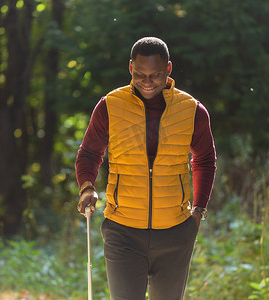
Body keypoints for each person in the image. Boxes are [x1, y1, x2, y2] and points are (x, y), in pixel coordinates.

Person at [75, 37, 216, 300]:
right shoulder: (110, 106)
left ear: (169, 69)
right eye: (140, 74)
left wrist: (198, 210)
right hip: (123, 231)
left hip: (175, 232)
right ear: (131, 68)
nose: (147, 81)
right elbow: (90, 153)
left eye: (155, 75)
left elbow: (205, 160)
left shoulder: (192, 110)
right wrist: (87, 188)